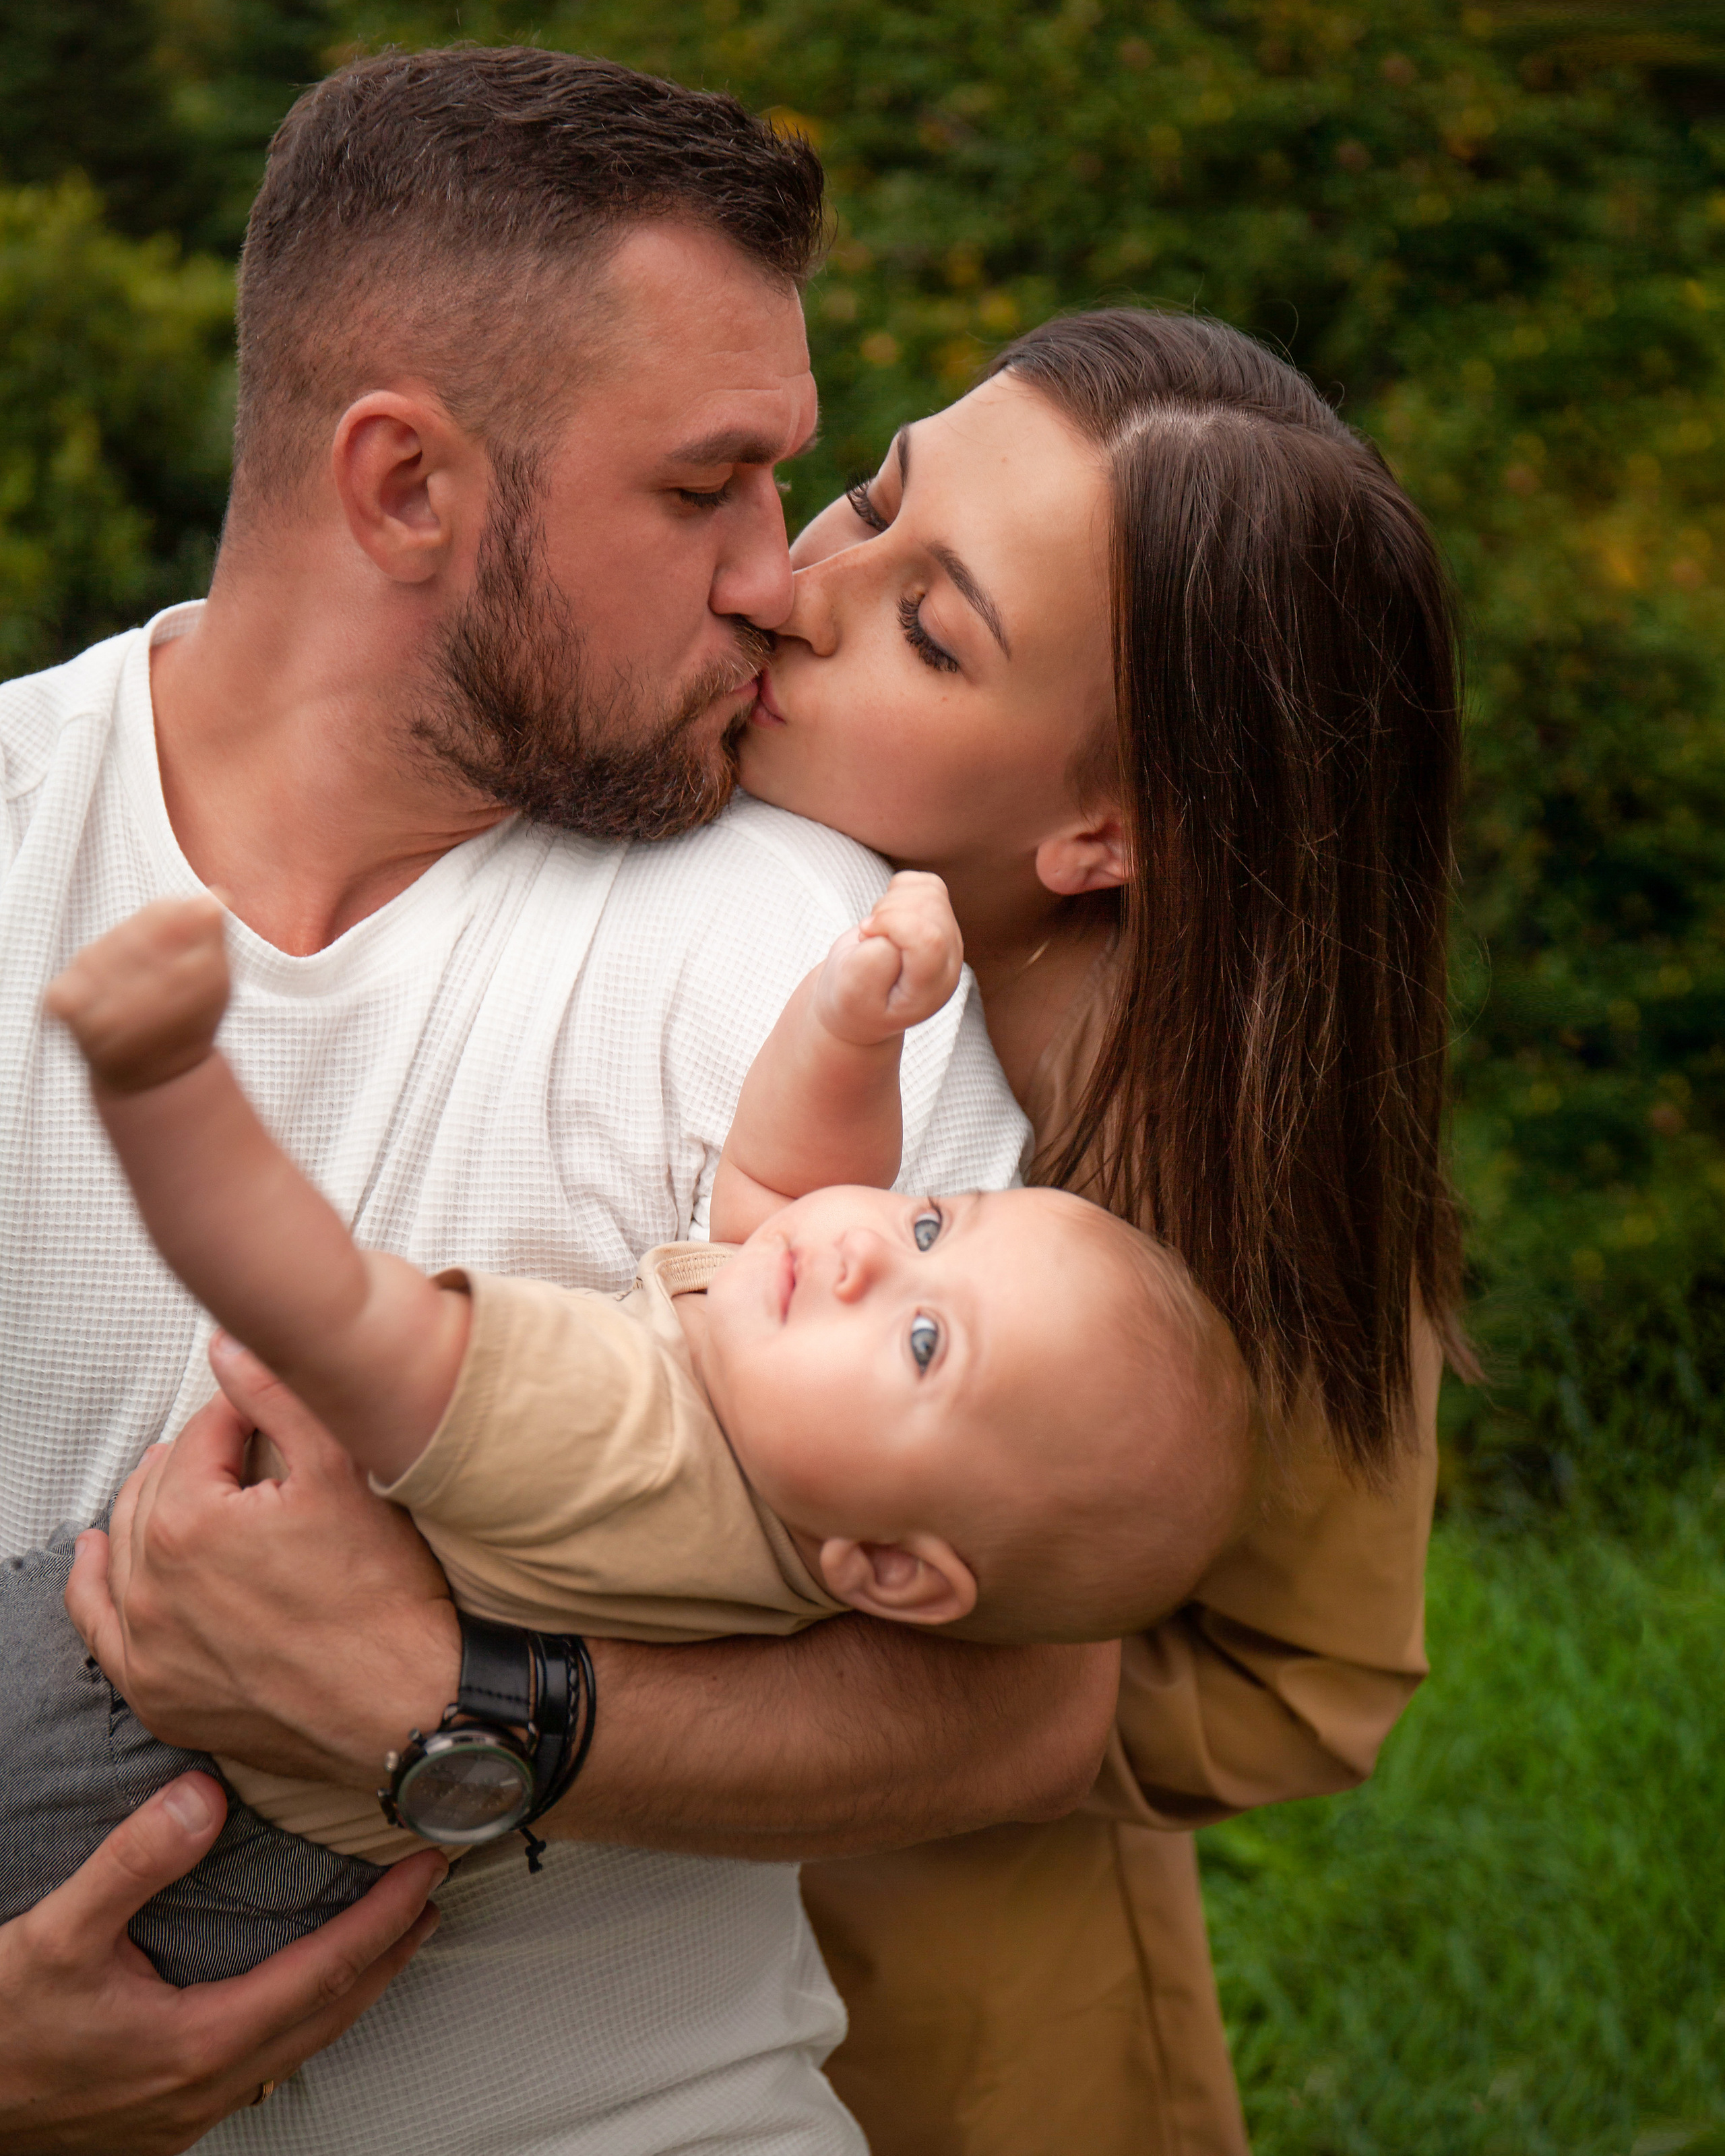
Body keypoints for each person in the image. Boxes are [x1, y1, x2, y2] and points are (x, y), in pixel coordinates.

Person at [0, 49, 1121, 2155]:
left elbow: (1026, 1700)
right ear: (404, 485)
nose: (780, 581)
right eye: (705, 489)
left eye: (786, 482)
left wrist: (476, 1713)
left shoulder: (813, 949)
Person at [15, 875, 1247, 1978]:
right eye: (936, 1222)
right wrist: (859, 1024)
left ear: (889, 1570)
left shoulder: (629, 1438)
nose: (871, 1255)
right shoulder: (799, 1448)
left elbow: (312, 1301)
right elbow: (788, 1196)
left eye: (928, 1343)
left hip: (141, 1775)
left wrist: (163, 1080)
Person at [738, 309, 1471, 2155]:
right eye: (865, 501)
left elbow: (1309, 1684)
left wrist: (873, 1638)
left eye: (929, 628)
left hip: (950, 2042)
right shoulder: (675, 812)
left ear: (1106, 832)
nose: (803, 588)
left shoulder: (1195, 1138)